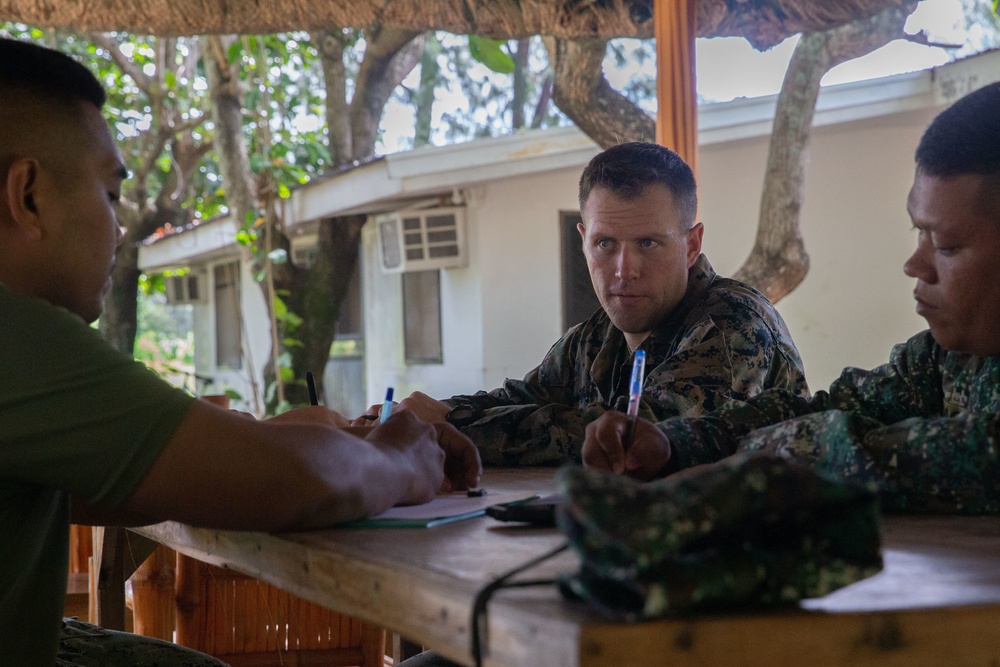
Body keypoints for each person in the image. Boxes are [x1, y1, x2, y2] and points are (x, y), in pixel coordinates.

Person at [0, 37, 481, 666]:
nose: (119, 229)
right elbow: (300, 483)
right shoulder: (19, 339)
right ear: (28, 194)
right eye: (112, 194)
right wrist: (397, 456)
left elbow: (124, 485)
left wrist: (264, 441)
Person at [583, 81, 1000, 513]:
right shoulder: (943, 361)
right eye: (920, 232)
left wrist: (756, 451)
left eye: (947, 245)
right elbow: (824, 410)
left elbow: (953, 456)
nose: (916, 264)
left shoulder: (730, 320)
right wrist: (673, 442)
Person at [365, 142, 808, 471]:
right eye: (605, 244)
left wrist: (445, 427)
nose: (624, 270)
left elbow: (624, 439)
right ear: (584, 243)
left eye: (649, 243)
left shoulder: (732, 327)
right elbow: (523, 399)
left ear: (691, 246)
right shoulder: (597, 337)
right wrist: (413, 416)